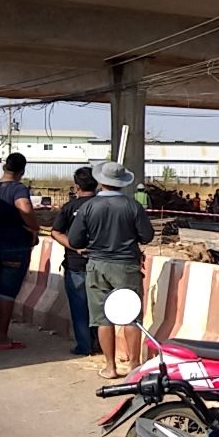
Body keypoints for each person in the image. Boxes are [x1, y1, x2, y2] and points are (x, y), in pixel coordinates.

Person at [68, 162, 155, 379]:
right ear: (122, 182)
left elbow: (75, 240)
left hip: (97, 265)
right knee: (131, 315)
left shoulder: (88, 207)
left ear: (101, 181)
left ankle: (110, 366)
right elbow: (147, 236)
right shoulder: (133, 206)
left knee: (102, 318)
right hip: (126, 266)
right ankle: (134, 364)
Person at [0, 153, 39, 350]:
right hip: (15, 243)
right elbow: (24, 207)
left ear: (4, 167)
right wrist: (34, 227)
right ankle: (1, 337)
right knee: (7, 292)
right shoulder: (18, 188)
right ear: (22, 171)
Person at [50, 166, 97, 357]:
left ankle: (84, 346)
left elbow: (55, 232)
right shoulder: (104, 205)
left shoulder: (70, 207)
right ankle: (101, 344)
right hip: (102, 265)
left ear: (77, 186)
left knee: (79, 307)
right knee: (100, 308)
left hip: (76, 265)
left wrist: (73, 246)